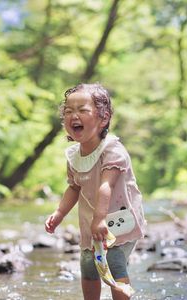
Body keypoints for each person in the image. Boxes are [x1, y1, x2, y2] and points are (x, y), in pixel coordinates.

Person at [45, 83, 146, 300]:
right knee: (88, 266)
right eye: (68, 111)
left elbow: (106, 185)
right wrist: (59, 213)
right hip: (91, 222)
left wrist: (100, 219)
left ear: (103, 118)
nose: (74, 115)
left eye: (82, 110)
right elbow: (74, 187)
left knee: (115, 263)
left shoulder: (112, 150)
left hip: (119, 220)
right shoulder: (74, 155)